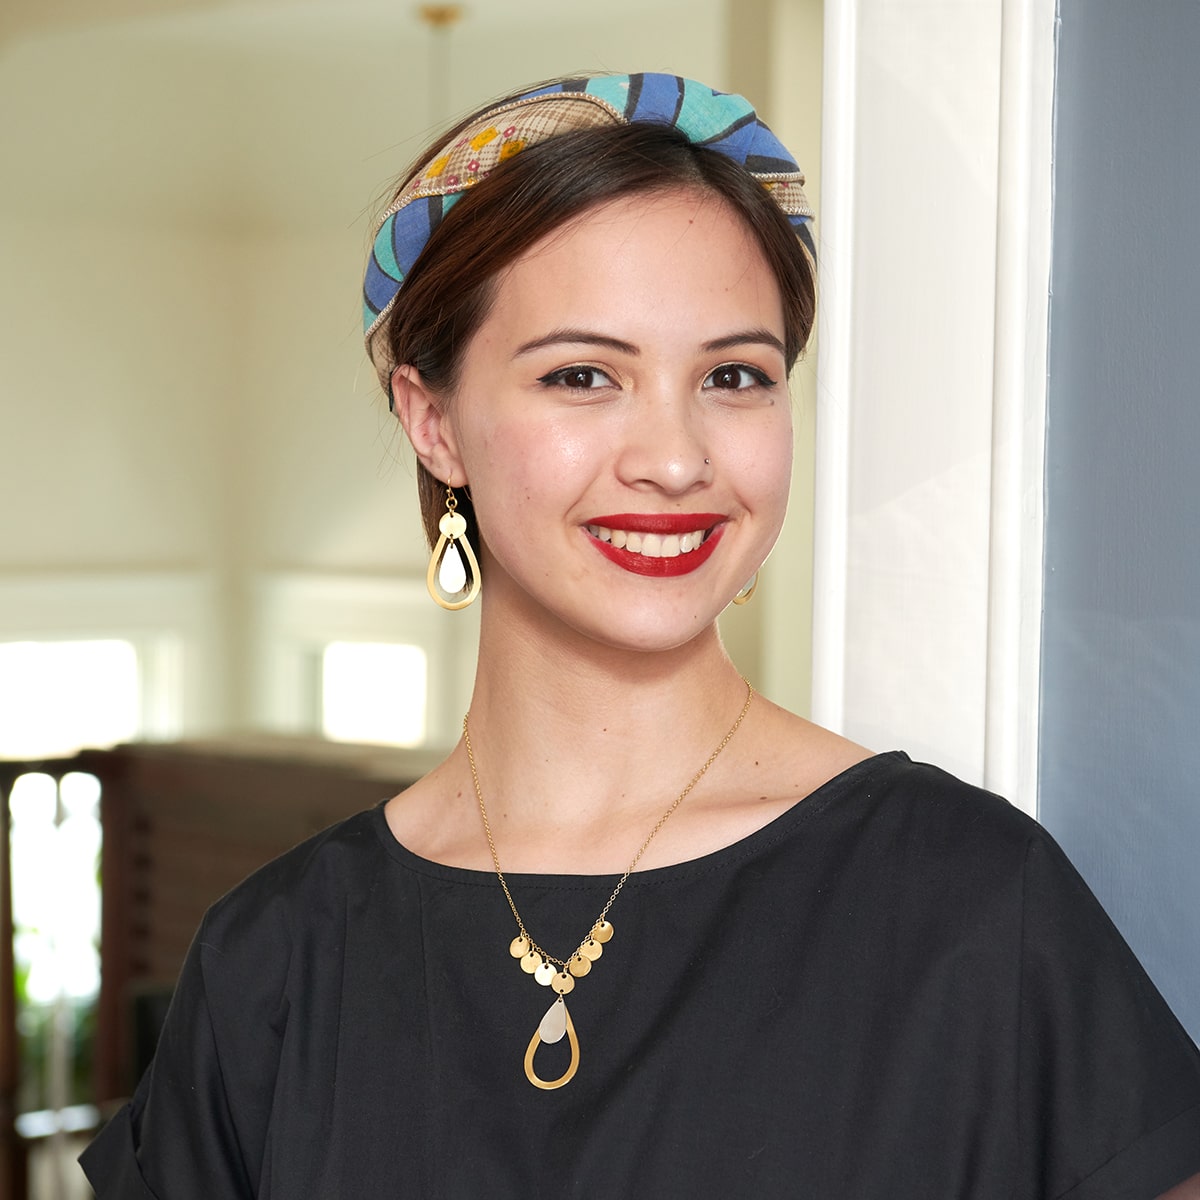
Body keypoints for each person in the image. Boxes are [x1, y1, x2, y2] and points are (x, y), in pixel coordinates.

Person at [81, 72, 1200, 1198]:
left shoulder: (969, 902)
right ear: (435, 423)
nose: (674, 458)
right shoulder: (276, 960)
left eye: (734, 376)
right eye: (582, 375)